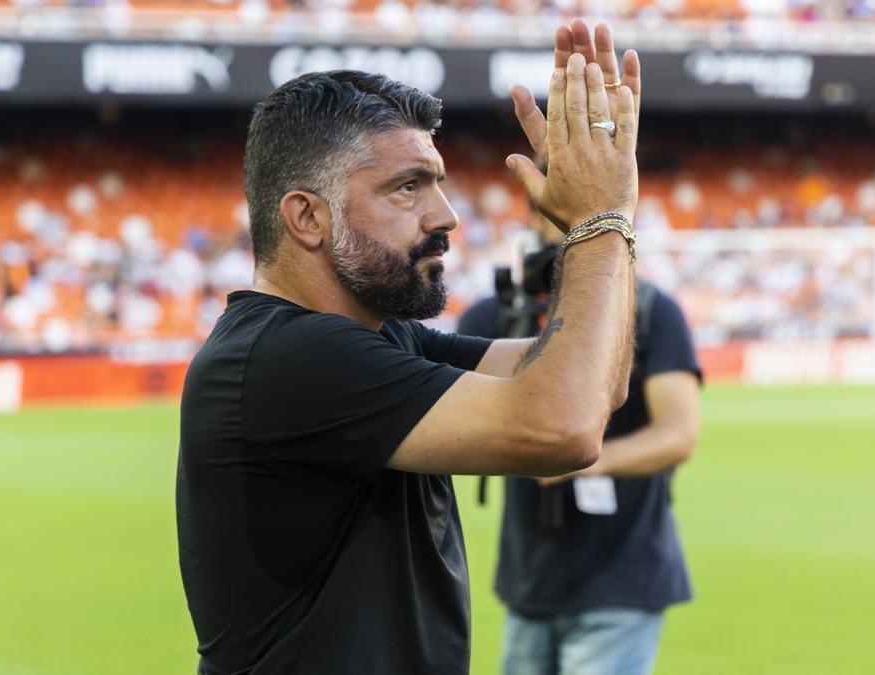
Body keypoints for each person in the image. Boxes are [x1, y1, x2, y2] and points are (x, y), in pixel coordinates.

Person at [176, 20, 643, 675]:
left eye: (438, 182)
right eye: (408, 186)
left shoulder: (376, 337)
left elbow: (596, 384)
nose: (446, 214)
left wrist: (612, 214)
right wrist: (601, 222)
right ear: (307, 217)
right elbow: (563, 426)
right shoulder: (290, 357)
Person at [457, 218, 702, 673]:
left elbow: (678, 434)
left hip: (623, 575)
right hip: (529, 581)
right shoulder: (495, 316)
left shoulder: (650, 311)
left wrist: (581, 459)